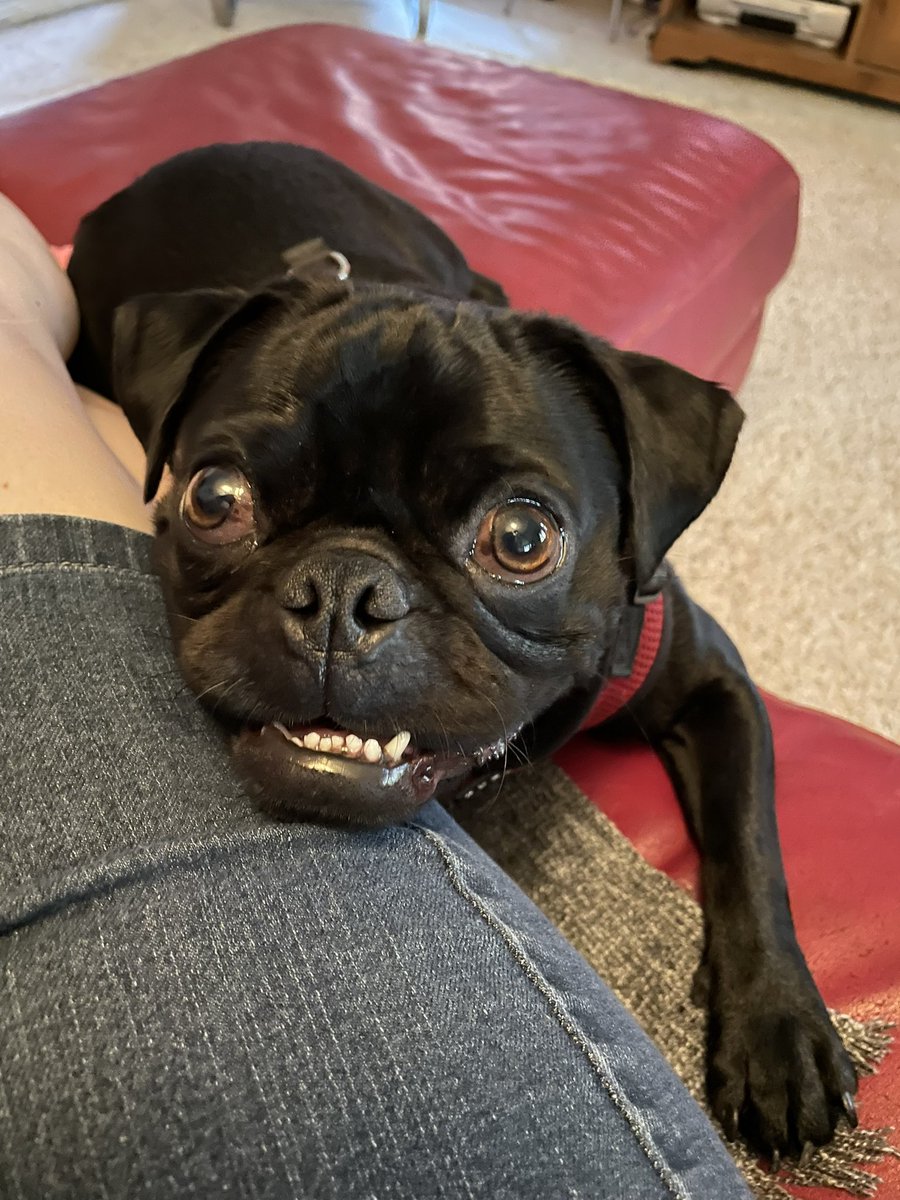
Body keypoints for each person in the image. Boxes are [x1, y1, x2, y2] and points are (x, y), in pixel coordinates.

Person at [0, 194, 751, 1200]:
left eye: (516, 541)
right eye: (222, 503)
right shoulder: (183, 311)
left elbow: (715, 696)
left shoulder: (636, 613)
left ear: (634, 532)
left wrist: (760, 955)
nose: (343, 614)